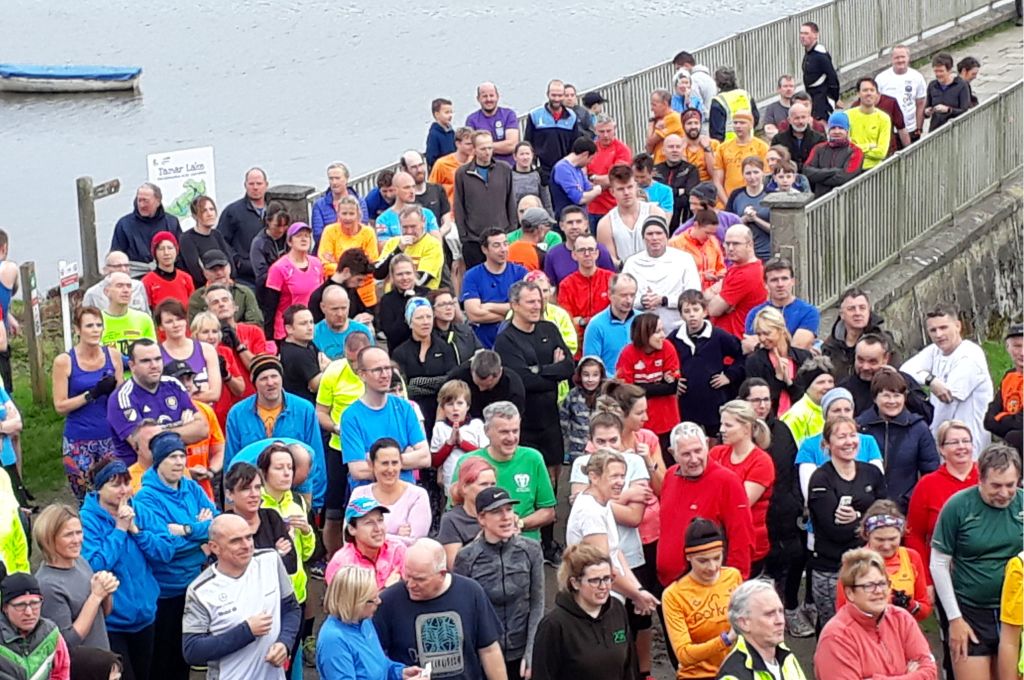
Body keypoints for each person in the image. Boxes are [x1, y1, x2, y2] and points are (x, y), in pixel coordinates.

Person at [493, 281, 573, 557]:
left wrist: (540, 370)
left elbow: (569, 367)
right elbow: (520, 379)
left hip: (551, 419)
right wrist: (550, 370)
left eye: (539, 301)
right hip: (523, 422)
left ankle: (549, 543)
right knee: (523, 480)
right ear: (514, 305)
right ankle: (519, 537)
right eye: (530, 302)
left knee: (550, 483)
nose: (537, 306)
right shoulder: (506, 339)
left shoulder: (549, 329)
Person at [931, 444, 1023, 680]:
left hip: (1015, 611)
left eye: (1010, 485)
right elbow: (939, 563)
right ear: (980, 478)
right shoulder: (958, 506)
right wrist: (954, 618)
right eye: (996, 485)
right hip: (972, 611)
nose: (1004, 493)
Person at [132, 431, 217, 680]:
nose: (179, 462)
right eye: (172, 457)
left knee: (185, 657)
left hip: (195, 585)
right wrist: (200, 541)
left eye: (182, 455)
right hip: (165, 591)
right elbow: (165, 549)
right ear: (158, 461)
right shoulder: (146, 498)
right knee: (162, 661)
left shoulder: (191, 487)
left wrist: (187, 529)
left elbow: (217, 524)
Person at [80, 458, 172, 680]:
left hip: (146, 614)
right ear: (99, 488)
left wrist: (137, 532)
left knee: (147, 674)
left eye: (126, 483)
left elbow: (166, 551)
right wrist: (120, 531)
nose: (124, 490)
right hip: (113, 623)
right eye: (115, 484)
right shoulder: (86, 519)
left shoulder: (139, 509)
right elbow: (94, 566)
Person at [181, 514, 301, 680]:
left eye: (249, 537)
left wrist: (284, 642)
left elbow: (291, 609)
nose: (246, 545)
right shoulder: (201, 591)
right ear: (214, 547)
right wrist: (247, 631)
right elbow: (192, 650)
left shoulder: (271, 560)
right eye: (235, 541)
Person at [374, 538, 506, 679]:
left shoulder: (470, 592)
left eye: (420, 579)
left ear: (441, 574)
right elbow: (375, 657)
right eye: (407, 575)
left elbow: (489, 650)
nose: (410, 585)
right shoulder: (388, 601)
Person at [454, 487, 545, 680]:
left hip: (521, 653)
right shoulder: (466, 557)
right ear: (481, 519)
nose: (506, 517)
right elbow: (462, 611)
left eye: (509, 510)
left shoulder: (531, 550)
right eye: (496, 512)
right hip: (484, 656)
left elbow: (538, 603)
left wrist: (531, 651)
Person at [806, 416, 887, 631]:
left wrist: (858, 517)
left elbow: (887, 518)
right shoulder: (820, 479)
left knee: (873, 628)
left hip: (870, 567)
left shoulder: (872, 473)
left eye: (853, 435)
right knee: (836, 631)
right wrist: (868, 523)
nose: (849, 441)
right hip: (832, 570)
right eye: (841, 436)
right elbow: (835, 530)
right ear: (827, 444)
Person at [815, 548, 937, 680]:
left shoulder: (902, 618)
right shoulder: (836, 637)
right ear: (849, 593)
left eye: (882, 583)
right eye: (868, 585)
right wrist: (909, 676)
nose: (878, 591)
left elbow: (930, 672)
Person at [223, 354, 326, 507]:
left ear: (281, 378)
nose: (270, 383)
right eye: (263, 378)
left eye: (274, 376)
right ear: (254, 383)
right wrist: (231, 501)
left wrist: (315, 503)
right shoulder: (237, 413)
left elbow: (316, 457)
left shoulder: (304, 409)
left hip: (296, 490)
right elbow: (231, 461)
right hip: (251, 493)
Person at [658, 422, 753, 585]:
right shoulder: (670, 476)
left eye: (698, 451)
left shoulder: (727, 481)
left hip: (707, 587)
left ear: (707, 445)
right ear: (673, 453)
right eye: (686, 454)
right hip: (670, 585)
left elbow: (741, 538)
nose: (694, 459)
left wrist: (734, 584)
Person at [451, 402, 556, 545]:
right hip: (478, 545)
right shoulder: (468, 461)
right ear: (487, 431)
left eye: (515, 431)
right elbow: (454, 511)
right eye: (504, 432)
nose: (511, 438)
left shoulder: (533, 458)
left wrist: (519, 523)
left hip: (523, 545)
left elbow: (548, 512)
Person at [531, 543, 637, 680]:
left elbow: (629, 667)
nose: (603, 586)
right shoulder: (554, 625)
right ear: (575, 583)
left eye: (607, 578)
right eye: (594, 581)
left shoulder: (617, 609)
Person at [51, 306, 122, 500]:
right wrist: (92, 393)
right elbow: (60, 406)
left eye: (99, 325)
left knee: (116, 495)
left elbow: (120, 399)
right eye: (89, 325)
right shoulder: (64, 361)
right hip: (79, 441)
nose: (95, 330)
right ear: (77, 329)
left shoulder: (113, 356)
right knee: (86, 499)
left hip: (110, 438)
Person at [901, 303, 994, 449]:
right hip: (944, 441)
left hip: (970, 443)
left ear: (958, 326)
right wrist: (931, 381)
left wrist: (929, 437)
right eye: (933, 330)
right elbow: (905, 371)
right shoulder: (934, 351)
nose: (938, 334)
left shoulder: (970, 355)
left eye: (944, 327)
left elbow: (948, 402)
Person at [662, 518, 742, 679]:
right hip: (697, 676)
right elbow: (684, 654)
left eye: (717, 558)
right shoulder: (674, 595)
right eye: (703, 561)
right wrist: (727, 639)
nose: (712, 567)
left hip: (735, 672)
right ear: (689, 557)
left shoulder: (733, 576)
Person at [106, 339, 207, 465]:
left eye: (158, 359)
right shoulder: (122, 398)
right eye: (146, 361)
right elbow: (144, 448)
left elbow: (203, 429)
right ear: (132, 366)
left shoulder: (173, 384)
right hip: (142, 476)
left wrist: (158, 432)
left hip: (178, 470)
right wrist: (182, 427)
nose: (154, 365)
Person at [341, 347, 429, 491]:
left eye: (387, 368)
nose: (385, 375)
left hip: (405, 493)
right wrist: (405, 457)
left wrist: (375, 460)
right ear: (362, 374)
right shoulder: (351, 416)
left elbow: (425, 458)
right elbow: (357, 470)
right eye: (377, 370)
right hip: (369, 499)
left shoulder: (405, 408)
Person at [316, 565, 422, 680]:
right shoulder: (333, 641)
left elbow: (378, 664)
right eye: (373, 599)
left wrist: (400, 673)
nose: (379, 601)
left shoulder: (364, 622)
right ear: (355, 603)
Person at [33, 504, 116, 650]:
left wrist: (106, 591)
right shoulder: (47, 585)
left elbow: (103, 614)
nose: (77, 540)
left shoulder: (80, 562)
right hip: (81, 668)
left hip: (103, 659)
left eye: (79, 532)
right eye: (68, 535)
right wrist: (96, 596)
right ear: (49, 539)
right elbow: (67, 642)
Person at [834, 500, 932, 622]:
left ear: (901, 534)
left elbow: (925, 609)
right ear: (866, 534)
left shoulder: (911, 557)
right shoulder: (855, 562)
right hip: (865, 634)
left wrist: (910, 605)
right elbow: (842, 612)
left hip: (903, 632)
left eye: (892, 539)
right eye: (879, 539)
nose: (886, 546)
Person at [856, 369, 940, 511]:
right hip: (865, 508)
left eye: (897, 395)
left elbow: (930, 472)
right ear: (875, 398)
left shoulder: (919, 428)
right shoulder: (860, 427)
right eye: (886, 396)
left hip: (906, 508)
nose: (892, 401)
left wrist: (908, 500)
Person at [904, 420, 978, 580]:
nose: (961, 447)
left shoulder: (987, 477)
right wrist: (926, 580)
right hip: (943, 573)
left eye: (966, 441)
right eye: (954, 442)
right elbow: (914, 536)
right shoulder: (927, 484)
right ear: (941, 449)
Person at [710, 402, 775, 573]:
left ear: (746, 429)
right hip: (716, 543)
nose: (721, 429)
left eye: (728, 425)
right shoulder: (717, 453)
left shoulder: (761, 461)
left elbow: (740, 504)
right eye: (721, 423)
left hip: (749, 544)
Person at [668, 290, 744, 436]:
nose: (692, 315)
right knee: (689, 437)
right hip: (686, 401)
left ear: (704, 312)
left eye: (696, 310)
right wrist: (672, 382)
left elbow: (742, 355)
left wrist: (730, 376)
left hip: (713, 399)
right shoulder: (674, 338)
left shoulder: (718, 336)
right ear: (681, 315)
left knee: (715, 438)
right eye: (687, 311)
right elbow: (665, 361)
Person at [615, 313, 680, 458]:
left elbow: (672, 387)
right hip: (639, 424)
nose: (663, 335)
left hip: (666, 421)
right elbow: (626, 391)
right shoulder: (628, 353)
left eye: (662, 330)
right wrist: (658, 386)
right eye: (657, 332)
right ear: (644, 334)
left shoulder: (668, 348)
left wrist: (640, 386)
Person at [622, 215, 700, 333]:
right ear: (643, 237)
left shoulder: (684, 259)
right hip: (642, 329)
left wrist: (664, 300)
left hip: (678, 329)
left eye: (659, 233)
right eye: (650, 234)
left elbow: (695, 295)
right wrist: (642, 301)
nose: (654, 238)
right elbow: (622, 296)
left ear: (666, 236)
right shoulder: (632, 263)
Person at [717, 579, 807, 680]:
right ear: (744, 623)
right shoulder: (734, 675)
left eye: (781, 611)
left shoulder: (785, 655)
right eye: (769, 614)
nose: (780, 621)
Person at [349, 438, 431, 546]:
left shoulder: (418, 495)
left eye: (395, 463)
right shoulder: (359, 494)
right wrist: (397, 537)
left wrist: (369, 536)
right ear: (371, 465)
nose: (390, 469)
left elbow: (415, 544)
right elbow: (350, 538)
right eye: (384, 463)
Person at [455, 132, 517, 269]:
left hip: (501, 237)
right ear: (474, 150)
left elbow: (510, 200)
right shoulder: (462, 174)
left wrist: (512, 230)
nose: (487, 152)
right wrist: (464, 236)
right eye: (483, 149)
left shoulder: (504, 169)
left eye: (490, 148)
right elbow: (459, 205)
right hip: (474, 240)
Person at [838, 333, 931, 420]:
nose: (865, 367)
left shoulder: (905, 381)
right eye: (860, 360)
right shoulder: (844, 389)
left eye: (872, 361)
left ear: (886, 359)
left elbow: (927, 414)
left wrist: (902, 388)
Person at [461, 229, 527, 349]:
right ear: (484, 249)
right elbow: (474, 314)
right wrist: (511, 314)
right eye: (496, 245)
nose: (503, 249)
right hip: (483, 344)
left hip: (517, 343)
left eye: (506, 244)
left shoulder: (520, 272)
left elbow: (526, 308)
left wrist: (489, 306)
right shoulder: (472, 275)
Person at [0, 573, 72, 680]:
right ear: (5, 608)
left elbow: (61, 672)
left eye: (34, 603)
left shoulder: (51, 634)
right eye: (20, 605)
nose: (29, 612)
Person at [744, 307, 812, 418]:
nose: (762, 338)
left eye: (766, 333)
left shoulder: (804, 357)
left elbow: (807, 398)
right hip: (773, 422)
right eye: (759, 334)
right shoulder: (754, 361)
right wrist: (778, 378)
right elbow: (757, 401)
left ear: (781, 329)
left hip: (802, 419)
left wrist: (789, 382)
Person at [742, 258, 819, 352]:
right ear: (765, 284)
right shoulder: (755, 313)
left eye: (784, 278)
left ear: (792, 281)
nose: (780, 284)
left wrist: (760, 346)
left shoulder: (808, 312)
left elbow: (797, 350)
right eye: (774, 280)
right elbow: (749, 347)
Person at [316, 195, 379, 310]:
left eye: (351, 213)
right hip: (338, 294)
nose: (347, 218)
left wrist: (338, 264)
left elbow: (371, 266)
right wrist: (357, 268)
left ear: (358, 215)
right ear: (338, 214)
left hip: (366, 296)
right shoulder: (329, 231)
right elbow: (324, 265)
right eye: (344, 213)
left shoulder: (368, 233)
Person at [596, 164, 666, 268]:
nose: (626, 193)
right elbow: (610, 260)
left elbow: (665, 248)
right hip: (624, 278)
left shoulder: (655, 213)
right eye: (620, 189)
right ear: (612, 191)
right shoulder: (605, 224)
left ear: (636, 187)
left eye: (630, 187)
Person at [264, 222, 324, 341]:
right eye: (298, 236)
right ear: (289, 241)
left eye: (307, 236)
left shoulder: (317, 263)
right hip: (287, 331)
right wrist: (269, 338)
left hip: (312, 327)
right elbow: (270, 307)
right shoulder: (278, 268)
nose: (304, 239)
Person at [156, 298, 222, 404]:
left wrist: (178, 399)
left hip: (205, 415)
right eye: (169, 321)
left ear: (186, 321)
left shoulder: (206, 350)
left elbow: (215, 394)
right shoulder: (156, 354)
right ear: (161, 327)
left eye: (179, 319)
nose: (176, 324)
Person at [706, 225, 766, 339]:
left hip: (736, 341)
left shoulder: (747, 273)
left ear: (750, 244)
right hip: (726, 339)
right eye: (727, 243)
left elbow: (713, 310)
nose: (730, 248)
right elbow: (706, 297)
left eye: (736, 244)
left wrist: (717, 293)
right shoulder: (737, 268)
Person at [110, 183, 183, 276]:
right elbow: (116, 258)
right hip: (135, 279)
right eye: (139, 200)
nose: (141, 205)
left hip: (167, 276)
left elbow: (180, 254)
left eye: (145, 201)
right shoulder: (124, 225)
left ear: (158, 201)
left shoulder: (171, 222)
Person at [556, 234, 614, 347]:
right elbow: (566, 321)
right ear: (574, 255)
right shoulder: (566, 285)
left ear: (597, 253)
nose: (587, 254)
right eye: (582, 250)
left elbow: (616, 315)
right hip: (579, 345)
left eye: (591, 250)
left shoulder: (611, 279)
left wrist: (583, 321)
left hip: (608, 341)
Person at [820, 288, 890, 381]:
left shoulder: (883, 342)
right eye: (851, 309)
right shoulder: (830, 345)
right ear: (842, 314)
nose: (857, 313)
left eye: (862, 308)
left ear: (869, 311)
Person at [218, 168, 270, 288]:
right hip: (244, 276)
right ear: (245, 185)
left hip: (270, 273)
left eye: (259, 183)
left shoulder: (274, 209)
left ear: (266, 185)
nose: (255, 187)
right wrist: (236, 260)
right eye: (251, 184)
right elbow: (221, 240)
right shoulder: (232, 211)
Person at [439, 457, 495, 567]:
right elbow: (454, 566)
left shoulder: (501, 515)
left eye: (493, 484)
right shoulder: (452, 520)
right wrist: (485, 536)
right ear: (465, 488)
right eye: (483, 484)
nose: (490, 490)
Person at [186, 248, 264, 326]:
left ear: (229, 268)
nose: (219, 273)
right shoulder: (197, 297)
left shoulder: (244, 293)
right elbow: (195, 327)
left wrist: (233, 329)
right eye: (213, 270)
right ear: (205, 273)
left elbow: (256, 322)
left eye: (222, 268)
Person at [583, 273, 639, 378]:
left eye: (632, 295)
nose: (629, 300)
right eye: (623, 295)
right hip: (610, 388)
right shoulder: (596, 325)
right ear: (610, 295)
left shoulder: (642, 320)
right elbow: (591, 364)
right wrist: (616, 382)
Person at [377, 206, 444, 291]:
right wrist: (398, 249)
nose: (409, 231)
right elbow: (378, 273)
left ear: (423, 222)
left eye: (413, 226)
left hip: (420, 297)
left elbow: (421, 280)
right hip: (392, 297)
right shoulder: (393, 242)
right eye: (405, 227)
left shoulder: (433, 245)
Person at [544, 205, 616, 285]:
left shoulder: (599, 250)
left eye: (578, 222)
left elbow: (612, 283)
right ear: (561, 226)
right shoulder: (553, 255)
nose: (574, 227)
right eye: (570, 222)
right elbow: (551, 288)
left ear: (586, 224)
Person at [446, 350, 526, 420]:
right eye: (477, 384)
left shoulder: (513, 388)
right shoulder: (457, 377)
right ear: (471, 370)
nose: (481, 389)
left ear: (499, 374)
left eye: (488, 386)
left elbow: (513, 420)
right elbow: (443, 404)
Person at [801, 111, 865, 198]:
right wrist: (834, 171)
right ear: (828, 130)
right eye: (833, 128)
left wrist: (819, 178)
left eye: (841, 128)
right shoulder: (818, 148)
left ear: (847, 131)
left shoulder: (856, 151)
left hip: (847, 199)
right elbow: (807, 172)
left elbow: (845, 177)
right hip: (820, 201)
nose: (837, 131)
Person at [586, 114, 632, 229]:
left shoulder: (622, 150)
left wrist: (592, 178)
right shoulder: (590, 148)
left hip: (614, 207)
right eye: (601, 131)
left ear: (614, 129)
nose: (605, 135)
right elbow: (581, 176)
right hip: (592, 207)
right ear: (595, 131)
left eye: (609, 131)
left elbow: (616, 179)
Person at [308, 248, 376, 326]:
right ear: (346, 271)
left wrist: (367, 316)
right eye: (358, 279)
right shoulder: (318, 296)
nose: (361, 284)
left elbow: (364, 311)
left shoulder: (352, 291)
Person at [278, 304, 329, 405]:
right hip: (302, 408)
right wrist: (327, 369)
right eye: (303, 324)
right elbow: (316, 385)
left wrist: (324, 370)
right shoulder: (296, 353)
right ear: (289, 329)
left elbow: (325, 360)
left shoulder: (306, 343)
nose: (310, 327)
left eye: (311, 322)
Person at [876, 45, 927, 144]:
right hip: (888, 130)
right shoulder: (881, 78)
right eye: (897, 57)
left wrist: (919, 127)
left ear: (908, 58)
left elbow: (920, 103)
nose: (900, 60)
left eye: (903, 57)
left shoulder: (917, 77)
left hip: (910, 128)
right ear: (892, 59)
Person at [779, 356, 834, 447]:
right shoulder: (796, 416)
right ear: (807, 387)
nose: (827, 386)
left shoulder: (837, 410)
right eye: (821, 382)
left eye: (830, 381)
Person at [986, 322, 1024, 452]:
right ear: (1008, 348)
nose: (1022, 352)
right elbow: (989, 420)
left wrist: (1002, 417)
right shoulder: (1009, 376)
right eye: (1017, 346)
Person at [724, 158, 772, 261]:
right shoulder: (736, 194)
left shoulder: (772, 195)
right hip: (742, 255)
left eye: (756, 172)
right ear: (743, 175)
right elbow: (728, 226)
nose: (752, 177)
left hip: (767, 254)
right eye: (748, 173)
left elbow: (777, 230)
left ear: (763, 173)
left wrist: (756, 219)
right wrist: (744, 219)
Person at [100, 272, 157, 358]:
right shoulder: (97, 320)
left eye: (129, 286)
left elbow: (152, 353)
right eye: (119, 286)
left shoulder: (144, 319)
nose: (126, 290)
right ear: (106, 291)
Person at [311, 162, 369, 244]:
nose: (334, 182)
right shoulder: (319, 205)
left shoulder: (359, 202)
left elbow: (363, 227)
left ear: (346, 179)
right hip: (327, 248)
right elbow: (317, 235)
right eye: (331, 179)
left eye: (337, 178)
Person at [466, 82, 520, 166]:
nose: (488, 99)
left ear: (497, 97)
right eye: (484, 96)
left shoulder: (509, 114)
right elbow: (471, 148)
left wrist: (483, 147)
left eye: (491, 95)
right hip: (483, 168)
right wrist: (501, 146)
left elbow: (512, 145)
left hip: (508, 167)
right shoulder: (472, 120)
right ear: (478, 99)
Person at [313, 286, 373, 361]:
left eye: (344, 308)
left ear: (349, 305)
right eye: (334, 309)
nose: (340, 314)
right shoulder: (314, 334)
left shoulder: (363, 331)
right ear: (323, 307)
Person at [250, 203, 292, 312]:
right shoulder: (259, 243)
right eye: (277, 225)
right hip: (269, 294)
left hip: (290, 290)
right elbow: (261, 275)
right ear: (268, 222)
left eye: (285, 225)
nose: (282, 230)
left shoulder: (290, 237)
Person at [846, 78, 893, 170]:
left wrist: (857, 149)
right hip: (851, 169)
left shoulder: (884, 118)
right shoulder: (847, 116)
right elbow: (847, 149)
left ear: (877, 94)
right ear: (858, 94)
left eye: (872, 90)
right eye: (865, 90)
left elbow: (882, 152)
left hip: (875, 170)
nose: (869, 93)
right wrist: (870, 146)